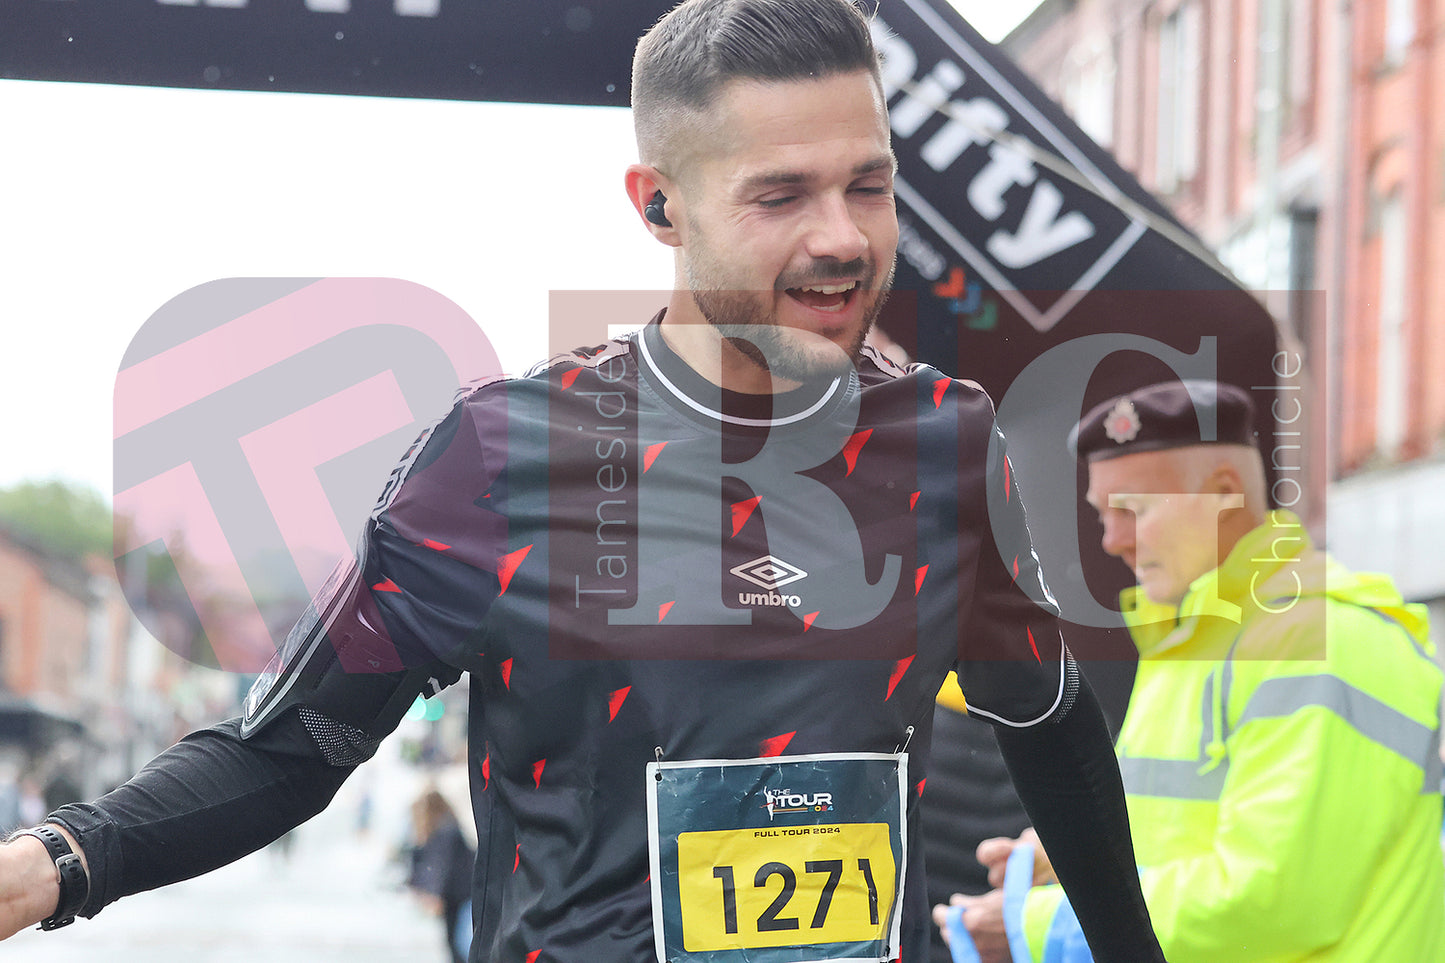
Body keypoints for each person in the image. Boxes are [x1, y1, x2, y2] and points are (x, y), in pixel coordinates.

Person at [0, 2, 1165, 960]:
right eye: (780, 195)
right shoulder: (498, 456)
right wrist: (59, 862)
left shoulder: (949, 440)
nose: (843, 237)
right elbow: (293, 745)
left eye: (868, 184)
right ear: (658, 204)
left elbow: (1044, 714)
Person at [937, 380, 1445, 962]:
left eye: (1133, 510)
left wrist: (1035, 926)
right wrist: (1077, 857)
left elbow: (1276, 902)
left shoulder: (1323, 645)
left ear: (1225, 493)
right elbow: (1182, 831)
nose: (1113, 541)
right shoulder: (1201, 639)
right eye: (1103, 515)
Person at [407, 788, 475, 963]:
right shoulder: (445, 827)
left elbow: (440, 864)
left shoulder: (445, 830)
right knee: (456, 942)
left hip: (463, 894)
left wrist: (433, 894)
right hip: (458, 894)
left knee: (460, 943)